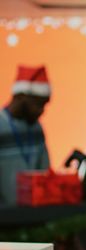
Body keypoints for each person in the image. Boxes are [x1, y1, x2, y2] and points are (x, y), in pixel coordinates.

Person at [0, 65, 51, 204]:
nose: (41, 111)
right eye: (38, 104)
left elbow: (44, 170)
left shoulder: (37, 128)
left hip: (33, 213)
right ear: (21, 97)